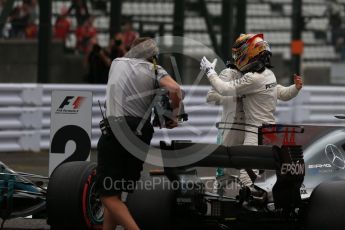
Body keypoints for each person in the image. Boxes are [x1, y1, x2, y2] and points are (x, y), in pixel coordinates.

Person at [96, 37, 182, 230]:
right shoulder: (155, 70)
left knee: (107, 195)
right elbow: (176, 89)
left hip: (116, 131)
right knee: (116, 194)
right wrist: (174, 116)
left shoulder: (117, 63)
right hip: (141, 133)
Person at [201, 33, 303, 188]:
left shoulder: (253, 78)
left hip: (255, 131)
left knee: (246, 174)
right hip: (270, 130)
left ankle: (253, 203)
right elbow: (282, 93)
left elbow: (223, 88)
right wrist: (295, 88)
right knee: (261, 172)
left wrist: (209, 71)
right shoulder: (269, 74)